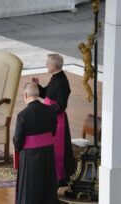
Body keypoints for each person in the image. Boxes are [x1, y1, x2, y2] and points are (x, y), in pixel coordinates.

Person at [32, 53, 76, 187]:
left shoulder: (62, 81)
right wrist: (37, 86)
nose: (46, 65)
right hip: (50, 117)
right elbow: (46, 94)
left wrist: (46, 111)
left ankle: (59, 179)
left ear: (54, 66)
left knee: (57, 151)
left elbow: (61, 105)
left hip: (58, 121)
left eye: (47, 63)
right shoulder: (55, 77)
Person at [13, 82, 58, 204]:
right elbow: (53, 132)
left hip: (30, 156)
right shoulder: (50, 110)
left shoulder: (23, 115)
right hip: (48, 153)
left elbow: (18, 141)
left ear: (25, 95)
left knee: (30, 188)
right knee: (47, 186)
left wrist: (17, 147)